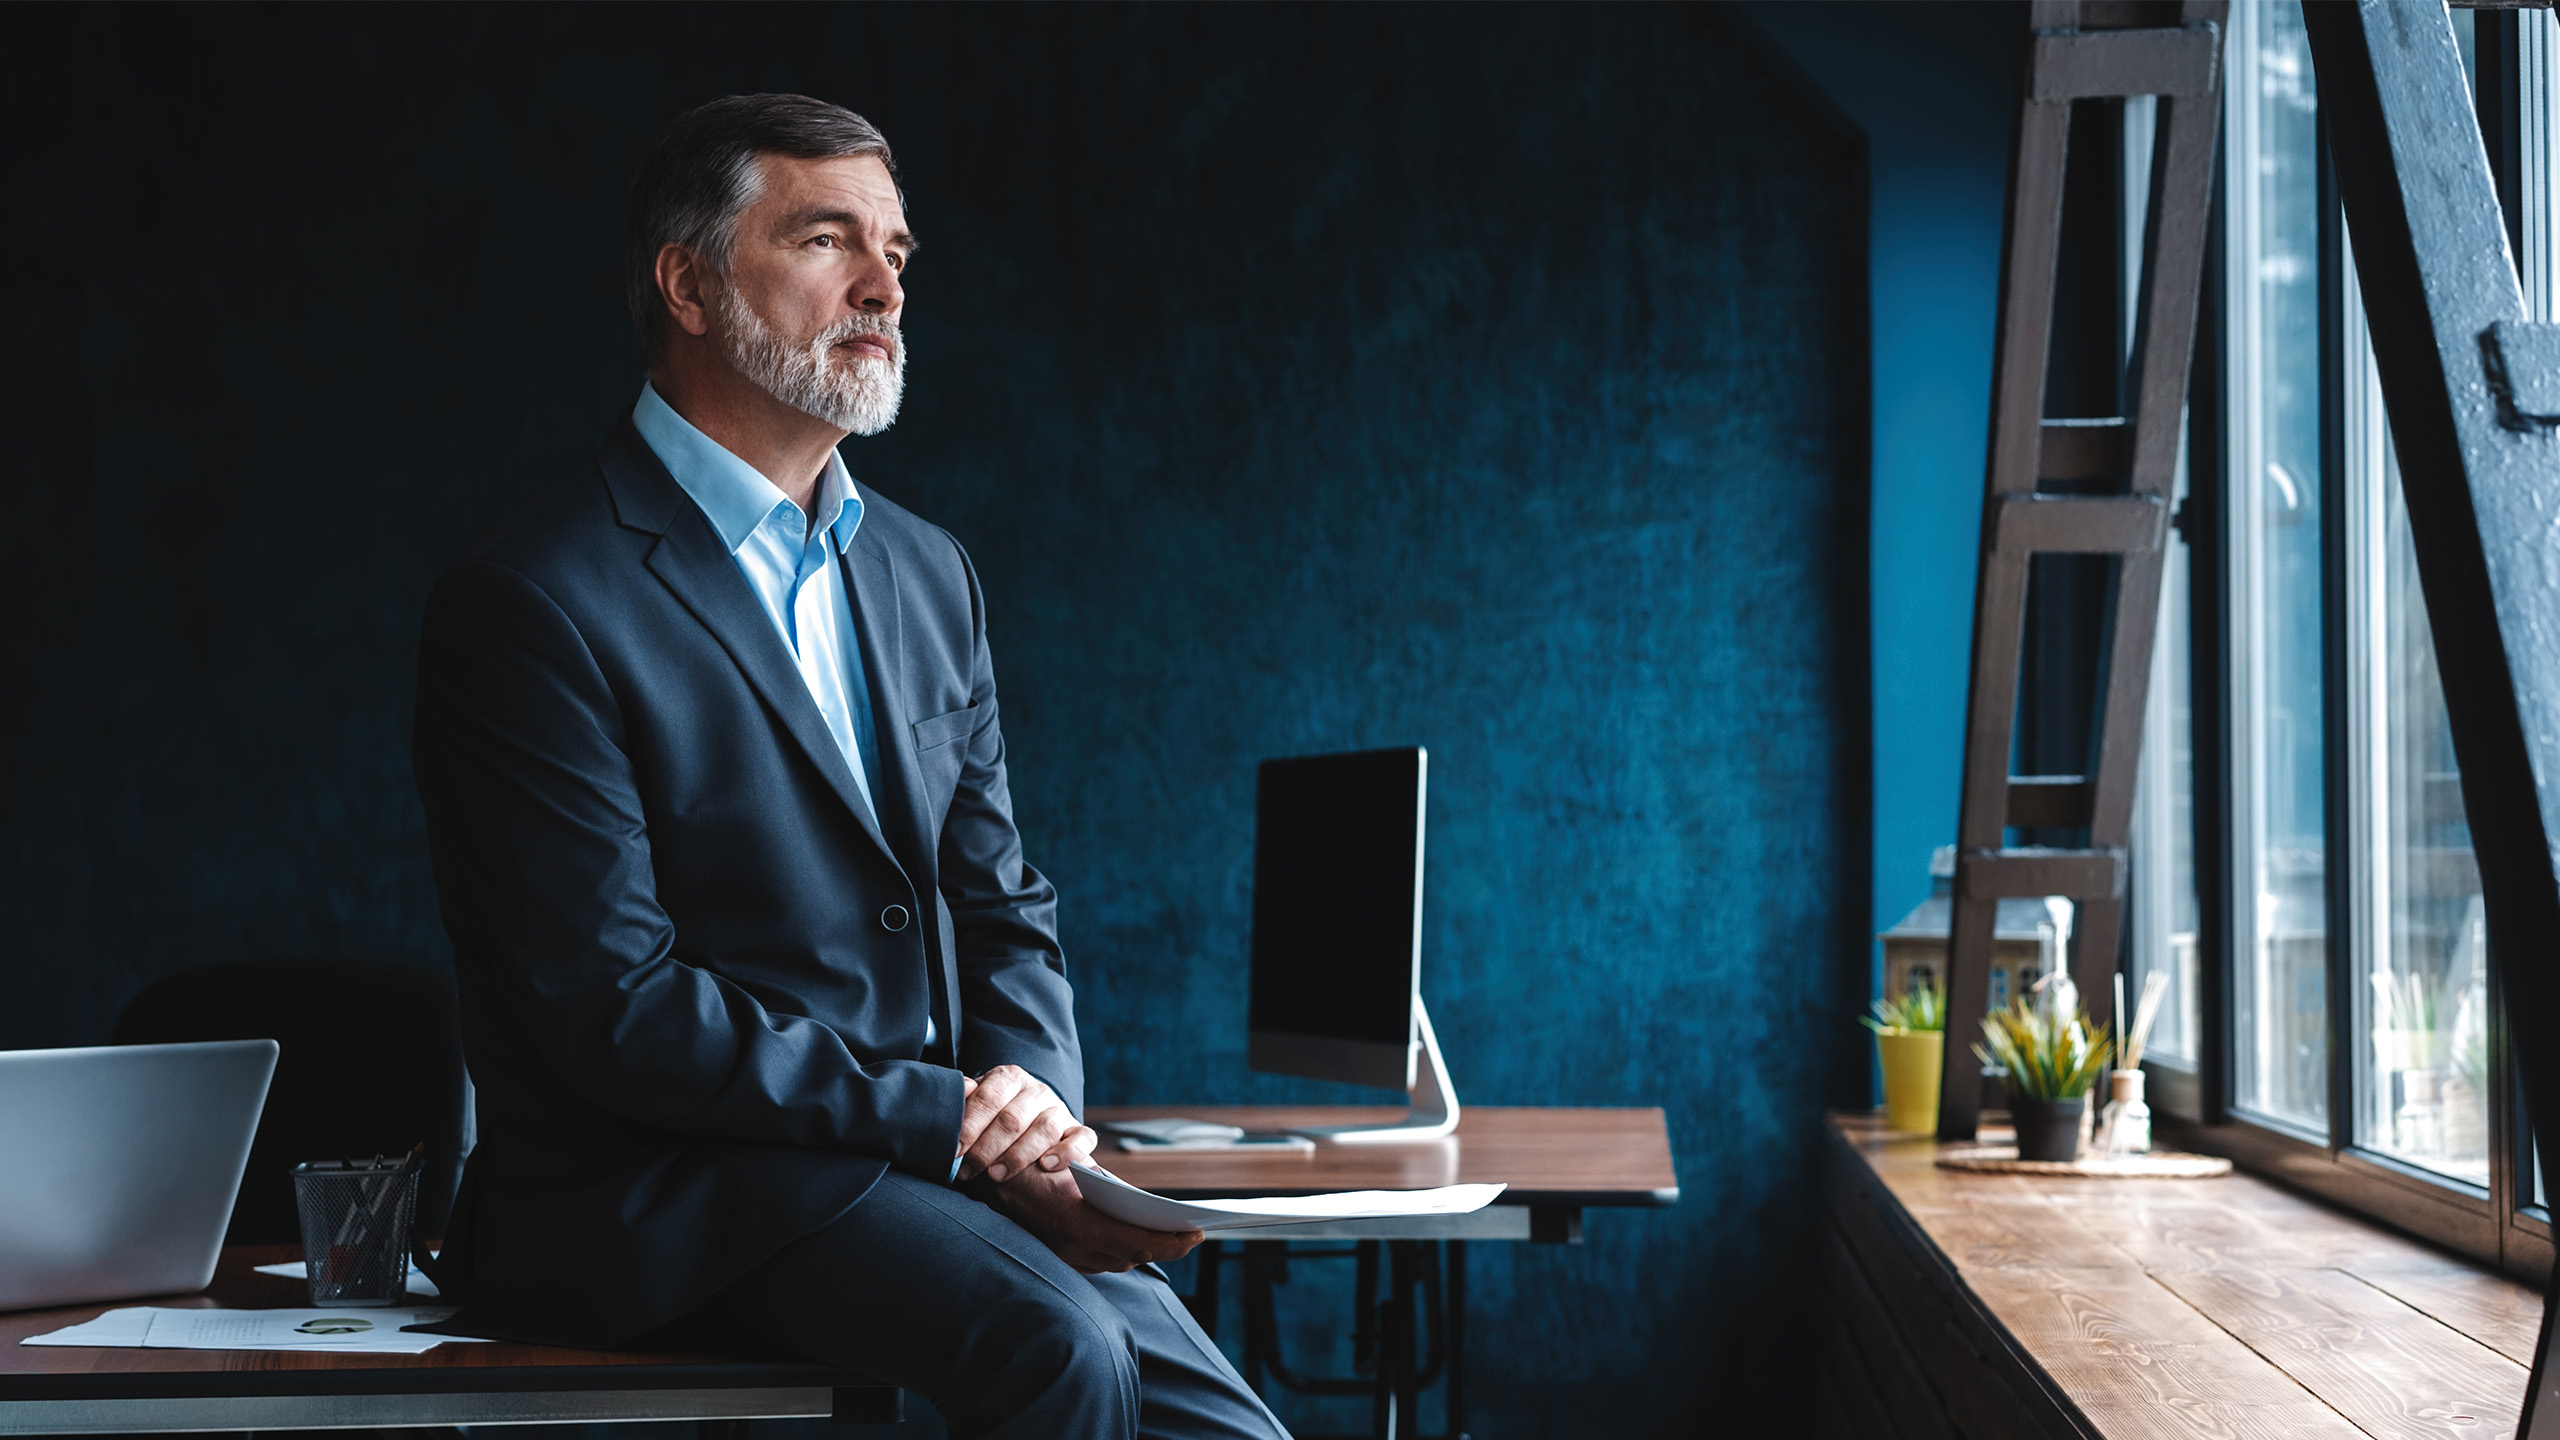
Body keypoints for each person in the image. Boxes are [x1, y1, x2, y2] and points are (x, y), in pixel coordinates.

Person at [411, 93, 1289, 1440]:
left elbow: (999, 899)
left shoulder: (928, 572)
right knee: (1058, 1350)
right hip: (680, 1195)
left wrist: (1036, 1117)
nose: (884, 283)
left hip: (929, 1168)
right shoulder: (532, 602)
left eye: (897, 250)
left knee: (1228, 1425)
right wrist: (949, 1121)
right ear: (688, 285)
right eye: (826, 240)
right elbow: (613, 1005)